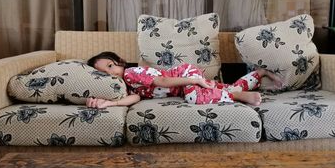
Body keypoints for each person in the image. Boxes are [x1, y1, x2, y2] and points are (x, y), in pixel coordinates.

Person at [86, 51, 282, 109]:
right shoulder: (128, 86)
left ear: (120, 62)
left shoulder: (131, 73)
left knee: (194, 98)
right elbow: (135, 99)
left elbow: (162, 81)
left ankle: (237, 95)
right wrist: (112, 103)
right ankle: (260, 73)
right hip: (186, 82)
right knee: (227, 85)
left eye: (111, 66)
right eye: (105, 72)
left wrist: (195, 79)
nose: (110, 73)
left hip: (185, 76)